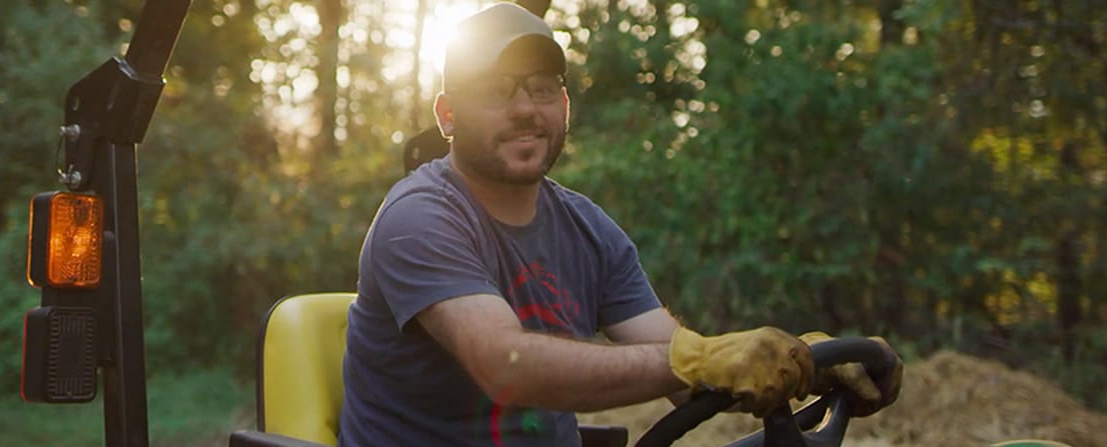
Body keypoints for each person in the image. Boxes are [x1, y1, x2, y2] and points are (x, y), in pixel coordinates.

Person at [338, 3, 903, 446]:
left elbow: (685, 369)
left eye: (541, 89)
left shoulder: (587, 227)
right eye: (495, 92)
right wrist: (697, 360)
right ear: (447, 115)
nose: (525, 109)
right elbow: (504, 366)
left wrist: (803, 365)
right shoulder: (420, 216)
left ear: (564, 104)